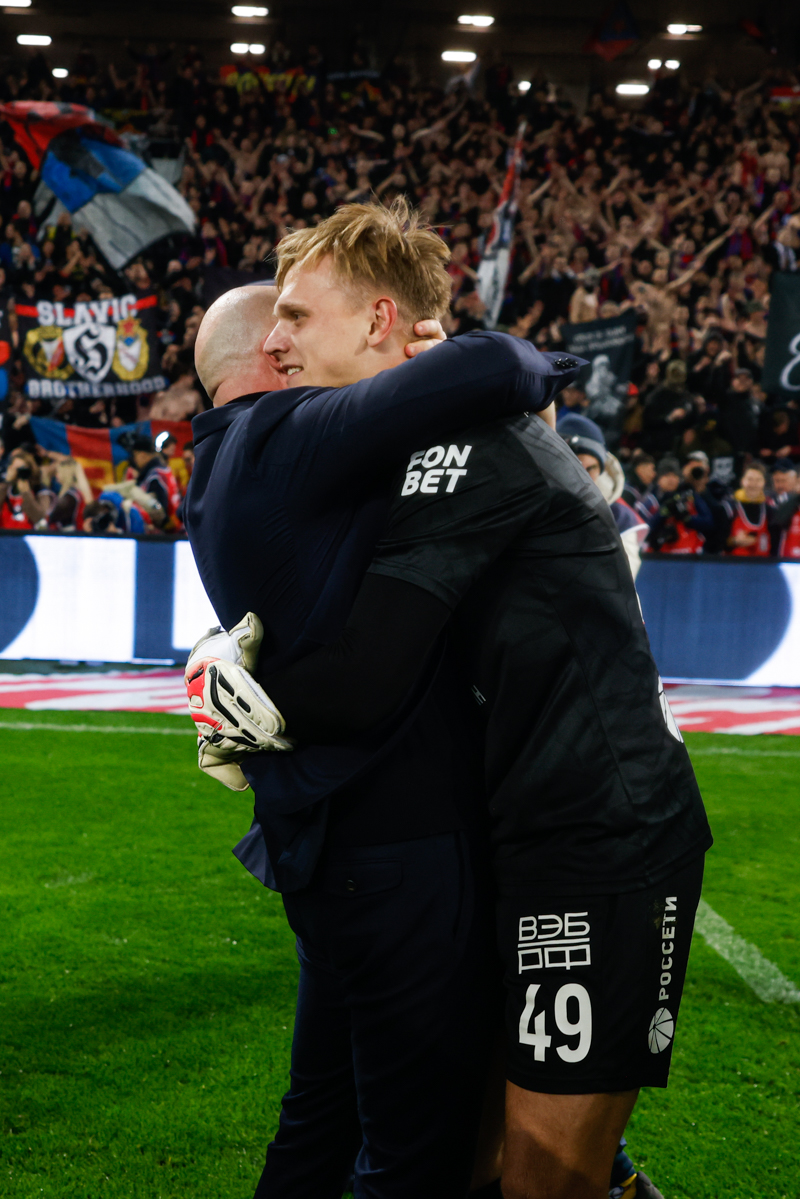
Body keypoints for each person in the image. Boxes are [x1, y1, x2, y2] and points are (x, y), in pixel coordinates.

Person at [208, 234, 712, 1197]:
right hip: (518, 830)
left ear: (380, 321)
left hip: (597, 834)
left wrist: (242, 693)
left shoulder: (461, 447)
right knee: (483, 1166)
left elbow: (366, 675)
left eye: (298, 315)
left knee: (543, 1177)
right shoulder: (431, 435)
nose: (275, 340)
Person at [183, 202, 583, 1199]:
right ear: (269, 355)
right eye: (283, 321)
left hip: (324, 845)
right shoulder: (288, 433)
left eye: (299, 314)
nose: (288, 337)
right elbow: (500, 366)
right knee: (414, 1157)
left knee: (317, 1124)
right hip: (400, 845)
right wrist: (445, 358)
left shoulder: (217, 463)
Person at [558, 412, 647, 580]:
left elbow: (622, 580)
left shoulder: (619, 517)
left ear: (601, 469)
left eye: (590, 468)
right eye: (575, 466)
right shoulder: (533, 503)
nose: (583, 476)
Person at [640, 456, 714, 555]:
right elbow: (642, 531)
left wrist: (688, 518)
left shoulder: (688, 495)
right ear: (658, 479)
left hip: (688, 553)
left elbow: (708, 523)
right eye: (666, 475)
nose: (671, 480)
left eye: (675, 476)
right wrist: (662, 513)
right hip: (657, 556)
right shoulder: (649, 500)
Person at [727, 464, 771, 557]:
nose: (753, 484)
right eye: (750, 479)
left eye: (758, 480)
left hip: (763, 563)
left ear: (764, 482)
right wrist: (734, 541)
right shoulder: (730, 507)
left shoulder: (769, 510)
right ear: (742, 481)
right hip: (736, 563)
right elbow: (717, 540)